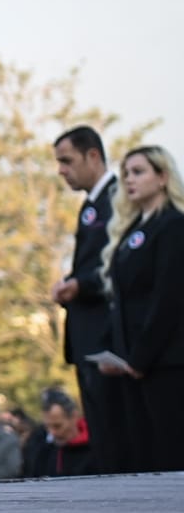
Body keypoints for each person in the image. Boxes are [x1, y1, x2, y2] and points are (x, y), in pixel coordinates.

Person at [100, 145, 184, 473]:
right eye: (126, 174)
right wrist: (114, 352)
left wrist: (140, 357)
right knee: (142, 453)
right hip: (132, 363)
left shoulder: (174, 226)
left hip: (165, 362)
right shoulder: (132, 230)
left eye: (138, 172)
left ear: (162, 177)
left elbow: (169, 298)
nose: (129, 181)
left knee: (170, 450)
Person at [52, 124, 119, 471]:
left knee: (116, 430)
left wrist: (82, 284)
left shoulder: (117, 200)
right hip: (86, 334)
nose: (62, 170)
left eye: (67, 160)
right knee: (102, 430)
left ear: (93, 156)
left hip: (106, 335)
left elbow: (117, 264)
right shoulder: (90, 205)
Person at [24, 391, 95, 478]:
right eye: (47, 427)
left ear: (74, 416)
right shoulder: (43, 452)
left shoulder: (96, 449)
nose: (52, 432)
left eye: (57, 426)